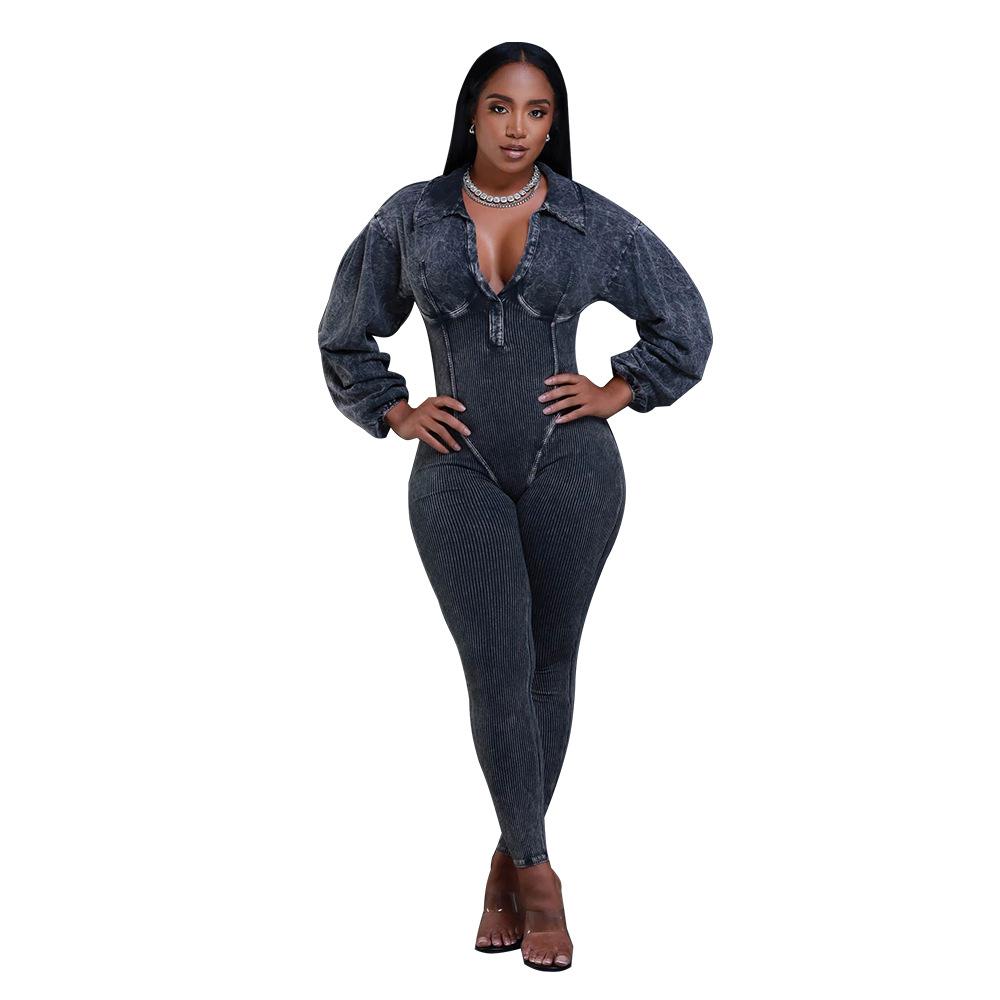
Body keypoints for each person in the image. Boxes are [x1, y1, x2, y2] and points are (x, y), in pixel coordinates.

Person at [317, 42, 713, 972]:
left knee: (551, 664)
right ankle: (541, 879)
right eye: (500, 108)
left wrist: (617, 391)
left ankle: (508, 854)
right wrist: (395, 410)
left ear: (554, 123)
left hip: (574, 466)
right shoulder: (410, 216)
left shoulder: (589, 220)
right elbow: (343, 334)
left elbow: (686, 324)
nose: (518, 129)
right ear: (471, 113)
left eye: (537, 113)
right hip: (455, 470)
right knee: (496, 669)